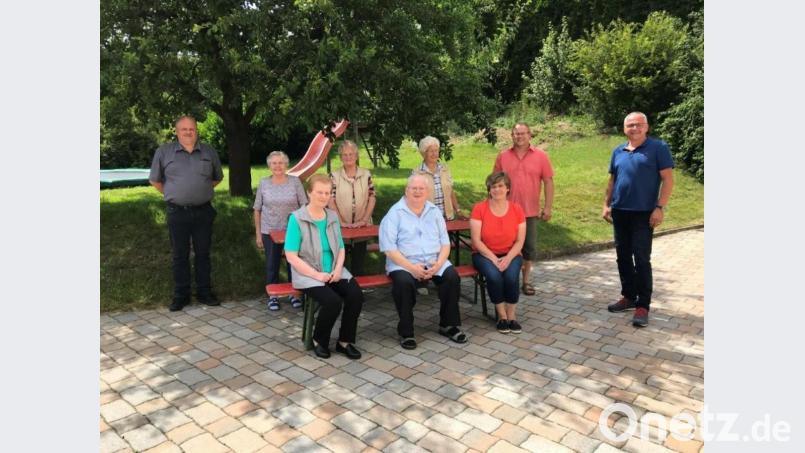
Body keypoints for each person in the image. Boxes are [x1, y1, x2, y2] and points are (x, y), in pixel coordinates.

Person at [379, 173, 468, 350]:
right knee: (403, 283)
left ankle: (448, 325)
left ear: (427, 192)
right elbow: (389, 249)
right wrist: (412, 268)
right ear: (406, 190)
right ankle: (406, 332)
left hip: (434, 260)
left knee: (452, 277)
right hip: (403, 263)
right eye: (414, 188)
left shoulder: (434, 212)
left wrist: (439, 263)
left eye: (421, 188)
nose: (418, 192)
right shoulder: (394, 214)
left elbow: (445, 243)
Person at [602, 112, 674, 327]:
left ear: (646, 127)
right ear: (624, 128)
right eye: (630, 125)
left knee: (641, 259)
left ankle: (643, 305)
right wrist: (606, 204)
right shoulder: (618, 151)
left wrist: (659, 207)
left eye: (638, 125)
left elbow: (668, 180)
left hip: (644, 213)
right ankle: (629, 297)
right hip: (620, 211)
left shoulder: (658, 148)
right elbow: (612, 180)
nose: (634, 128)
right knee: (622, 257)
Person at [284, 174, 364, 359]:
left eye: (327, 193)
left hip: (334, 271)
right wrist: (317, 275)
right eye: (319, 192)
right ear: (309, 192)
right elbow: (291, 256)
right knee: (332, 301)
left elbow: (341, 248)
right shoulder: (297, 219)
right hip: (308, 273)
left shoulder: (332, 216)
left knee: (355, 295)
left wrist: (337, 270)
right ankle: (319, 340)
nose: (324, 196)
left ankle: (345, 342)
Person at [149, 115, 224, 311]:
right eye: (184, 129)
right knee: (179, 255)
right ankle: (181, 295)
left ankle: (204, 292)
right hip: (177, 212)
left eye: (191, 129)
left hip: (204, 211)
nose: (188, 132)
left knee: (203, 253)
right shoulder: (164, 152)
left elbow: (217, 178)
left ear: (196, 130)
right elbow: (156, 181)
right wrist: (174, 193)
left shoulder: (209, 151)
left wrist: (199, 191)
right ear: (177, 131)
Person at [493, 123, 554, 296]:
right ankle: (506, 279)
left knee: (528, 248)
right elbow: (494, 182)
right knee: (504, 246)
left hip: (529, 212)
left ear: (530, 135)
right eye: (516, 134)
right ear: (511, 136)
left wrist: (548, 207)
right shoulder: (503, 156)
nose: (519, 136)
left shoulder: (541, 156)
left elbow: (548, 182)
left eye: (523, 133)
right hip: (505, 211)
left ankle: (526, 281)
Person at [470, 172, 527, 333]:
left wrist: (508, 259)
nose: (497, 190)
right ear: (489, 190)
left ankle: (512, 316)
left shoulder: (517, 209)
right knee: (494, 276)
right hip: (483, 254)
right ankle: (501, 316)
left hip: (511, 253)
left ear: (507, 188)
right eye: (493, 187)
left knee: (511, 277)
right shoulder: (479, 209)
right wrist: (494, 259)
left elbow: (520, 241)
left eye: (501, 186)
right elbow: (476, 240)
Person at [253, 151, 307, 311]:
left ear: (286, 165)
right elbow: (257, 209)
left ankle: (295, 293)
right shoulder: (263, 183)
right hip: (269, 230)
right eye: (274, 163)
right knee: (272, 264)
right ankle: (273, 296)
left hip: (292, 230)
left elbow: (304, 205)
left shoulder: (295, 182)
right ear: (269, 165)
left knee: (294, 263)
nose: (278, 166)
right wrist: (258, 234)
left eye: (281, 162)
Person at [328, 140, 377, 274]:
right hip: (340, 225)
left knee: (358, 261)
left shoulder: (366, 174)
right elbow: (330, 200)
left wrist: (364, 220)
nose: (348, 157)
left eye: (351, 154)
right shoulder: (334, 176)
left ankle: (358, 290)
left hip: (362, 224)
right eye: (344, 155)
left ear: (356, 156)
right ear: (340, 157)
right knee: (340, 262)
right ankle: (343, 289)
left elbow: (372, 197)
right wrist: (340, 222)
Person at [414, 136, 463, 220]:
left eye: (436, 151)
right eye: (431, 151)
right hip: (427, 219)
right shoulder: (418, 172)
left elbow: (450, 191)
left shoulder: (445, 169)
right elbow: (414, 197)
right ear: (424, 153)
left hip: (447, 218)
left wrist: (458, 211)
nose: (434, 154)